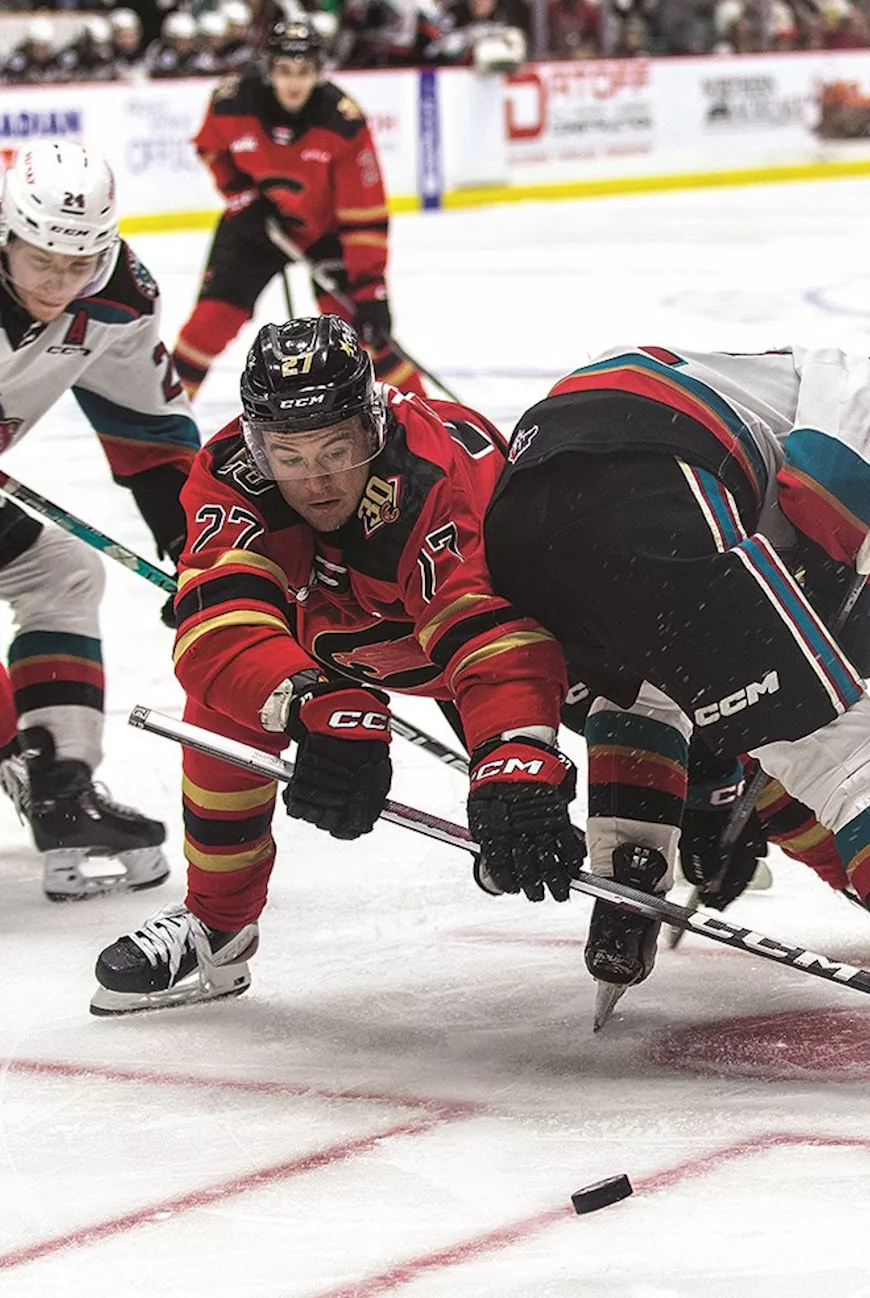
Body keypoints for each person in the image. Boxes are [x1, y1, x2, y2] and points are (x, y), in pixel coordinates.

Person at [479, 344, 870, 1108]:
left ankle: (626, 892)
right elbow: (828, 495)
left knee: (639, 692)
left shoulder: (782, 390)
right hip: (649, 471)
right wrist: (786, 698)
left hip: (528, 503)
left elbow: (708, 649)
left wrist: (719, 776)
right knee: (847, 749)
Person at [91, 314, 580, 1015]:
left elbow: (489, 635)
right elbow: (215, 625)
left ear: (371, 426)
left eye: (335, 451)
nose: (314, 482)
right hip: (340, 644)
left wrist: (514, 759)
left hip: (494, 632)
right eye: (289, 457)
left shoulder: (431, 470)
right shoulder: (231, 470)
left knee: (636, 697)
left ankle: (699, 799)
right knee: (226, 705)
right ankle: (217, 929)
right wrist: (309, 702)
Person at [0, 140, 201, 899]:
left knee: (59, 570)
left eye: (77, 264)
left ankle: (62, 787)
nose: (59, 283)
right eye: (40, 261)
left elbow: (151, 435)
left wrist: (197, 553)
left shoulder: (115, 298)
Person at [172, 18, 427, 402]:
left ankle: (432, 420)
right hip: (256, 227)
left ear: (319, 72)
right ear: (268, 68)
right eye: (285, 71)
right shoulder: (231, 103)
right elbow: (211, 149)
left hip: (325, 234)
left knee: (363, 334)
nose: (295, 83)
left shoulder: (341, 121)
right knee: (208, 326)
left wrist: (370, 290)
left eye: (305, 72)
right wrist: (243, 198)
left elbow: (365, 215)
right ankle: (163, 425)